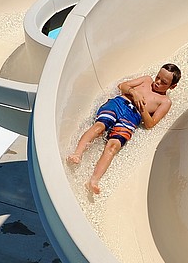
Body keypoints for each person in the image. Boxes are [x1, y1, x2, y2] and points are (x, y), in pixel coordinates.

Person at [68, 64, 181, 195]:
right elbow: (122, 86)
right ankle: (77, 153)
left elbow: (150, 124)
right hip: (118, 104)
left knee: (113, 146)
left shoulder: (165, 102)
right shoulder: (146, 80)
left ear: (172, 86)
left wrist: (141, 107)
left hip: (133, 117)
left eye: (163, 82)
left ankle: (93, 181)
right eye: (158, 77)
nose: (157, 82)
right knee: (99, 127)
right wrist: (134, 93)